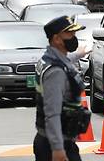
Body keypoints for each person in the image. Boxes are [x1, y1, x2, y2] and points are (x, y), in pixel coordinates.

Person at [34, 16, 90, 161]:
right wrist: (57, 148)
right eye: (70, 34)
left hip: (51, 139)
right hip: (55, 144)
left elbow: (64, 60)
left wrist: (79, 54)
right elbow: (52, 113)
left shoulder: (48, 60)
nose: (74, 38)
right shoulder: (56, 73)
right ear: (57, 39)